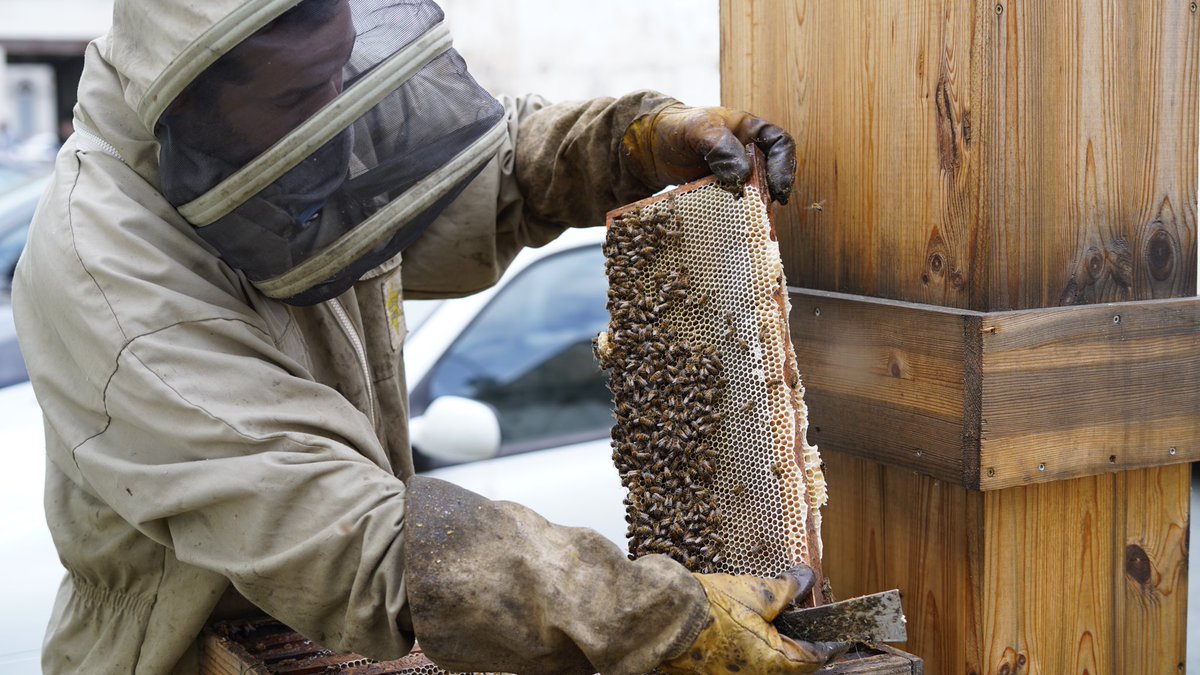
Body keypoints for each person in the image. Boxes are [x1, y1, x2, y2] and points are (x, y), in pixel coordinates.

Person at [12, 1, 840, 673]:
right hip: (177, 650)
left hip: (325, 631)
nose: (338, 117)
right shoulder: (114, 280)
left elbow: (474, 171)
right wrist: (639, 615)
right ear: (192, 105)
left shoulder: (286, 127)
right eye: (303, 98)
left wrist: (629, 142)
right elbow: (349, 538)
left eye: (344, 74)